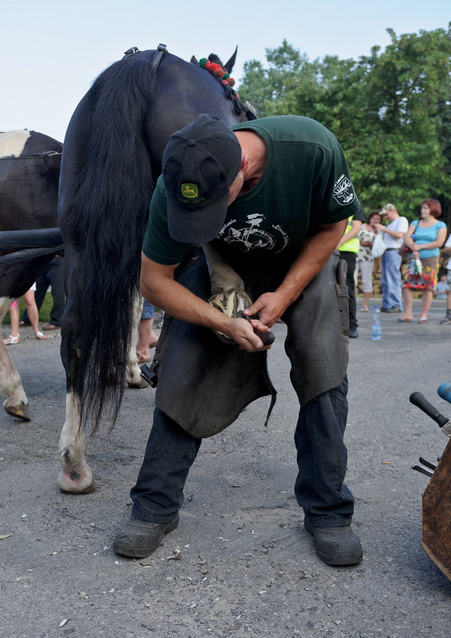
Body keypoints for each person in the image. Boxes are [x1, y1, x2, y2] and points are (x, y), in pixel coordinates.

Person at [112, 115, 362, 567]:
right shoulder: (175, 182)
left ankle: (328, 510)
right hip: (222, 262)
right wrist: (221, 323)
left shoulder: (312, 148)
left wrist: (284, 296)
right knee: (184, 363)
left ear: (243, 165)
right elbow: (154, 281)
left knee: (322, 363)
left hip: (303, 259)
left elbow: (333, 226)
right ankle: (154, 504)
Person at [398, 199, 447, 323]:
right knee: (406, 284)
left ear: (433, 209)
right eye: (422, 208)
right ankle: (408, 313)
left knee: (428, 286)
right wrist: (414, 247)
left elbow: (439, 242)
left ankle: (423, 314)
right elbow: (406, 236)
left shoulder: (440, 225)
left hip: (430, 258)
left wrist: (421, 247)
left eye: (426, 208)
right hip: (414, 257)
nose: (423, 210)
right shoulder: (416, 223)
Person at [373, 203, 407, 312]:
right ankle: (387, 304)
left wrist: (384, 229)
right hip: (386, 252)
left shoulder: (401, 220)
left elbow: (399, 235)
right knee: (385, 280)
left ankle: (396, 305)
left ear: (393, 211)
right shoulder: (391, 224)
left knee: (393, 279)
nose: (385, 217)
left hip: (394, 252)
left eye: (386, 214)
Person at [338, 209, 365, 338]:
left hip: (346, 252)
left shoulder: (355, 205)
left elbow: (355, 229)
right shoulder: (331, 201)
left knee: (347, 289)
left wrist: (336, 243)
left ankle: (352, 325)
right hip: (328, 250)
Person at [20, 254, 65, 331]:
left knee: (57, 292)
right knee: (37, 291)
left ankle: (57, 321)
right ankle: (28, 319)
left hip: (56, 260)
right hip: (43, 260)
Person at [356, 211, 381, 311]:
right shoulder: (361, 226)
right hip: (356, 254)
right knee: (352, 279)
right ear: (370, 218)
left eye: (378, 219)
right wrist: (360, 241)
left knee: (366, 280)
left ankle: (365, 305)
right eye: (374, 218)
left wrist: (370, 244)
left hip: (368, 257)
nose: (376, 220)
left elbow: (380, 247)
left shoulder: (378, 231)